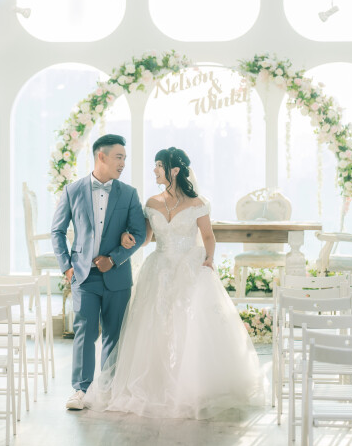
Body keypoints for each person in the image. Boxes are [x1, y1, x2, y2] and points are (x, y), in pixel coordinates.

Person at [83, 146, 264, 419]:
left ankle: (189, 384)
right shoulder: (151, 203)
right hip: (158, 268)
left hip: (189, 267)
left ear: (175, 170)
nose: (155, 170)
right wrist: (125, 239)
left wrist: (209, 259)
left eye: (159, 165)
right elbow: (145, 239)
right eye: (155, 165)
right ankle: (154, 382)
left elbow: (208, 236)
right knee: (153, 324)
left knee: (187, 323)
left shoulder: (197, 203)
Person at [51, 134, 147, 411]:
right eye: (119, 157)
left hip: (118, 276)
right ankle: (80, 390)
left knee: (114, 335)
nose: (123, 163)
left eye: (125, 158)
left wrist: (114, 259)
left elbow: (139, 233)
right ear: (101, 156)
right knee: (85, 332)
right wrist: (67, 267)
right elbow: (57, 231)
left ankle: (108, 390)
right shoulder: (72, 190)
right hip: (83, 276)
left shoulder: (129, 193)